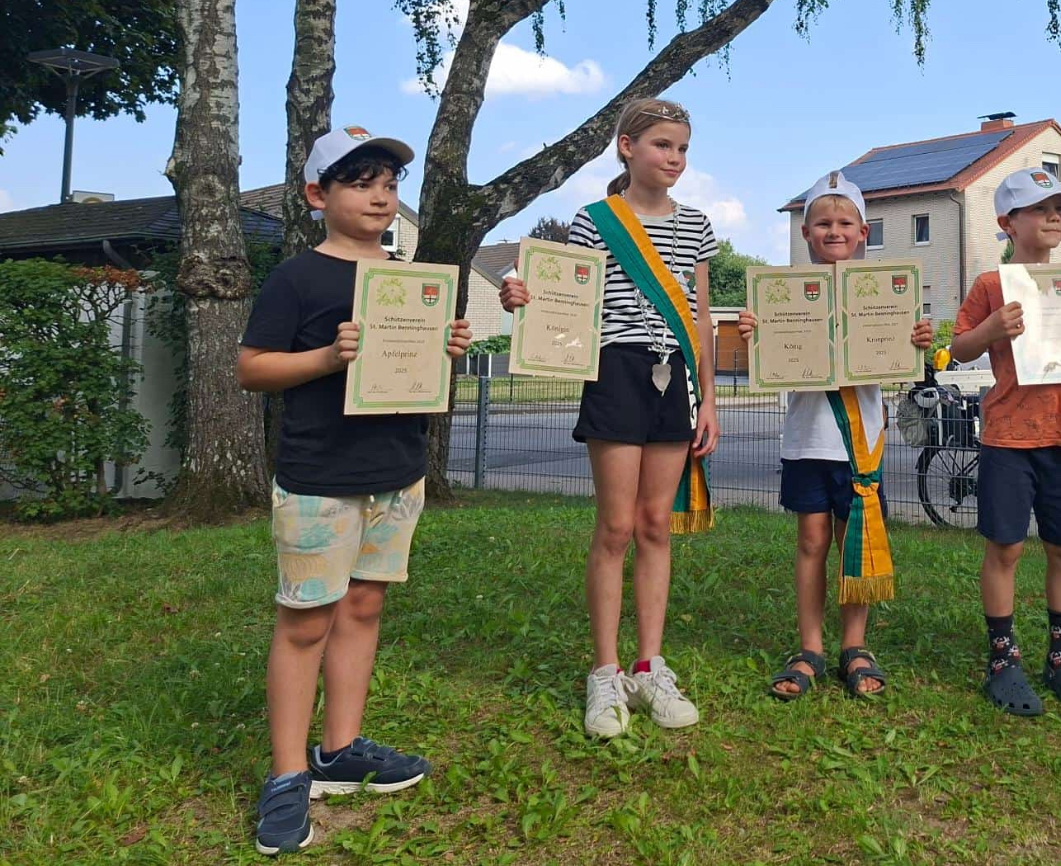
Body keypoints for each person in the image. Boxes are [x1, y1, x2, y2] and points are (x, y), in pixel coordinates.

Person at [237, 125, 473, 854]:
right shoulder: (296, 278)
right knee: (306, 622)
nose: (380, 195)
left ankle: (338, 750)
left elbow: (417, 373)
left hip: (397, 474)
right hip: (319, 479)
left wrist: (448, 347)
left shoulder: (410, 281)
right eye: (360, 180)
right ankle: (286, 777)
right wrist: (326, 355)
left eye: (390, 184)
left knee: (365, 607)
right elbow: (252, 368)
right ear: (318, 194)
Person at [500, 99, 719, 738]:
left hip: (673, 377)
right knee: (616, 526)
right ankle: (605, 672)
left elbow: (702, 320)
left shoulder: (698, 226)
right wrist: (525, 304)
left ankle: (649, 666)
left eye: (682, 148)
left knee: (657, 523)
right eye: (661, 146)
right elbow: (572, 305)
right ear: (626, 148)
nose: (674, 159)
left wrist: (709, 397)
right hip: (616, 372)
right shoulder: (594, 222)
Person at [739, 171, 933, 700]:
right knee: (811, 542)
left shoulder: (887, 293)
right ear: (805, 233)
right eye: (822, 222)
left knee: (855, 540)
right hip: (807, 440)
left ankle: (854, 644)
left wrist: (916, 338)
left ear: (864, 231)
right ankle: (810, 647)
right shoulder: (780, 295)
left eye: (845, 222)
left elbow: (905, 362)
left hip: (859, 443)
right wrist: (757, 334)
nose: (833, 230)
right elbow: (762, 356)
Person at [949, 167, 1061, 716]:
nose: (1054, 217)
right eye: (1040, 207)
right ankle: (1003, 662)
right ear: (1007, 222)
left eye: (1060, 209)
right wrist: (990, 330)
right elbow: (961, 348)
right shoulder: (992, 286)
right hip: (1008, 436)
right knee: (1007, 547)